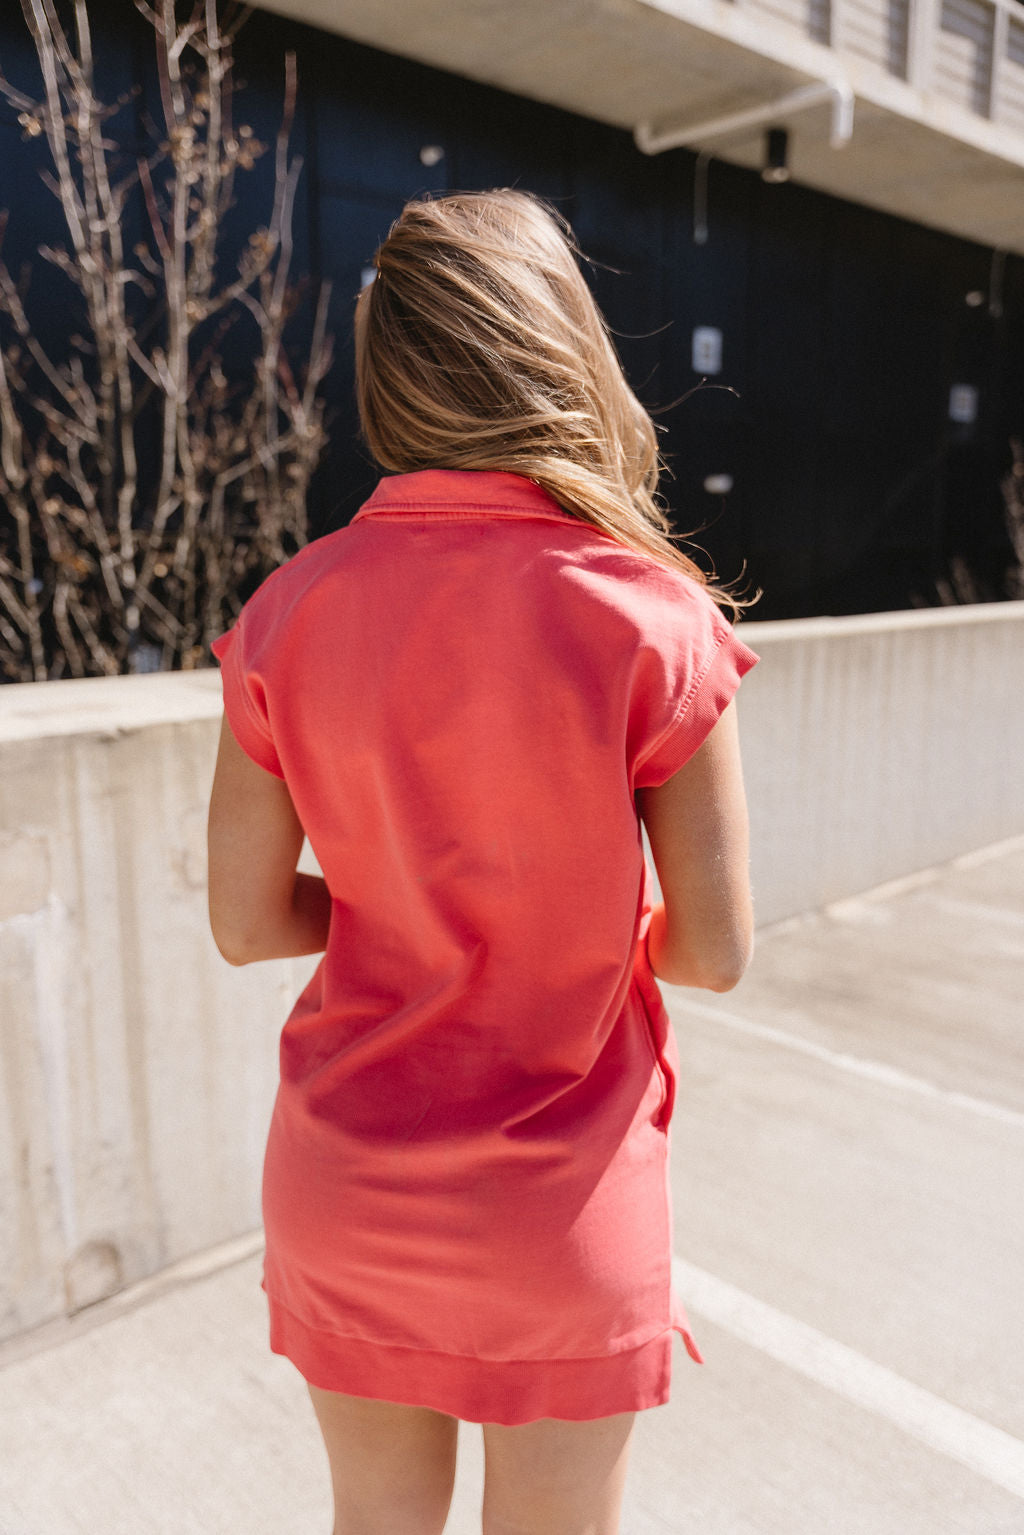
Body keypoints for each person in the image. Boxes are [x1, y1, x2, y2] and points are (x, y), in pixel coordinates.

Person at [207, 188, 758, 1535]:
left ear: (388, 376)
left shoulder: (292, 608)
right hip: (561, 1210)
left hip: (346, 1186)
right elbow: (717, 949)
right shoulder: (649, 616)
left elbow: (242, 920)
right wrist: (557, 926)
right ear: (567, 353)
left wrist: (400, 901)